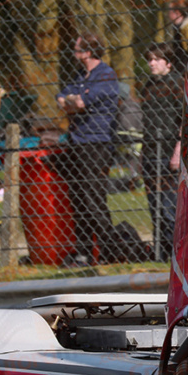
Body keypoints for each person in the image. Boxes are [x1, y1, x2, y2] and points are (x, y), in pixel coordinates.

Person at [55, 32, 124, 266]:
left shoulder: (105, 75)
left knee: (93, 198)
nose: (74, 52)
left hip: (96, 144)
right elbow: (62, 98)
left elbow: (81, 103)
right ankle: (84, 252)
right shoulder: (81, 76)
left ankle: (109, 250)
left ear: (87, 52)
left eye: (77, 48)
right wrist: (72, 101)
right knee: (78, 199)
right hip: (77, 141)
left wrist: (74, 102)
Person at [140, 43, 183, 260]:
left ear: (168, 62)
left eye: (157, 59)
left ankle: (174, 252)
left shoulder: (177, 84)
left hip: (168, 153)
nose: (152, 63)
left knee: (169, 207)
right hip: (149, 152)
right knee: (154, 206)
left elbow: (186, 120)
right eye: (150, 59)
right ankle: (161, 252)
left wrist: (178, 151)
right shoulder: (147, 86)